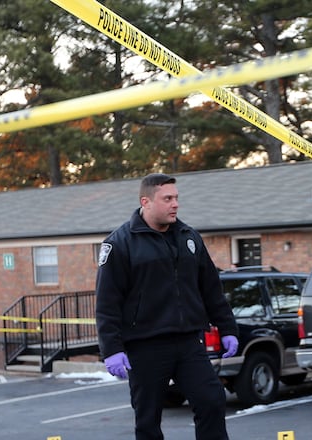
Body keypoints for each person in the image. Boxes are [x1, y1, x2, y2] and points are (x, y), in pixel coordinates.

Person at [95, 173, 239, 440]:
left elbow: (210, 288)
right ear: (146, 202)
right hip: (145, 345)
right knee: (148, 418)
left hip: (188, 341)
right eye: (167, 199)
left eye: (176, 198)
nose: (175, 204)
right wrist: (111, 349)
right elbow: (107, 302)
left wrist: (228, 328)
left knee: (211, 400)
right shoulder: (120, 243)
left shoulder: (189, 237)